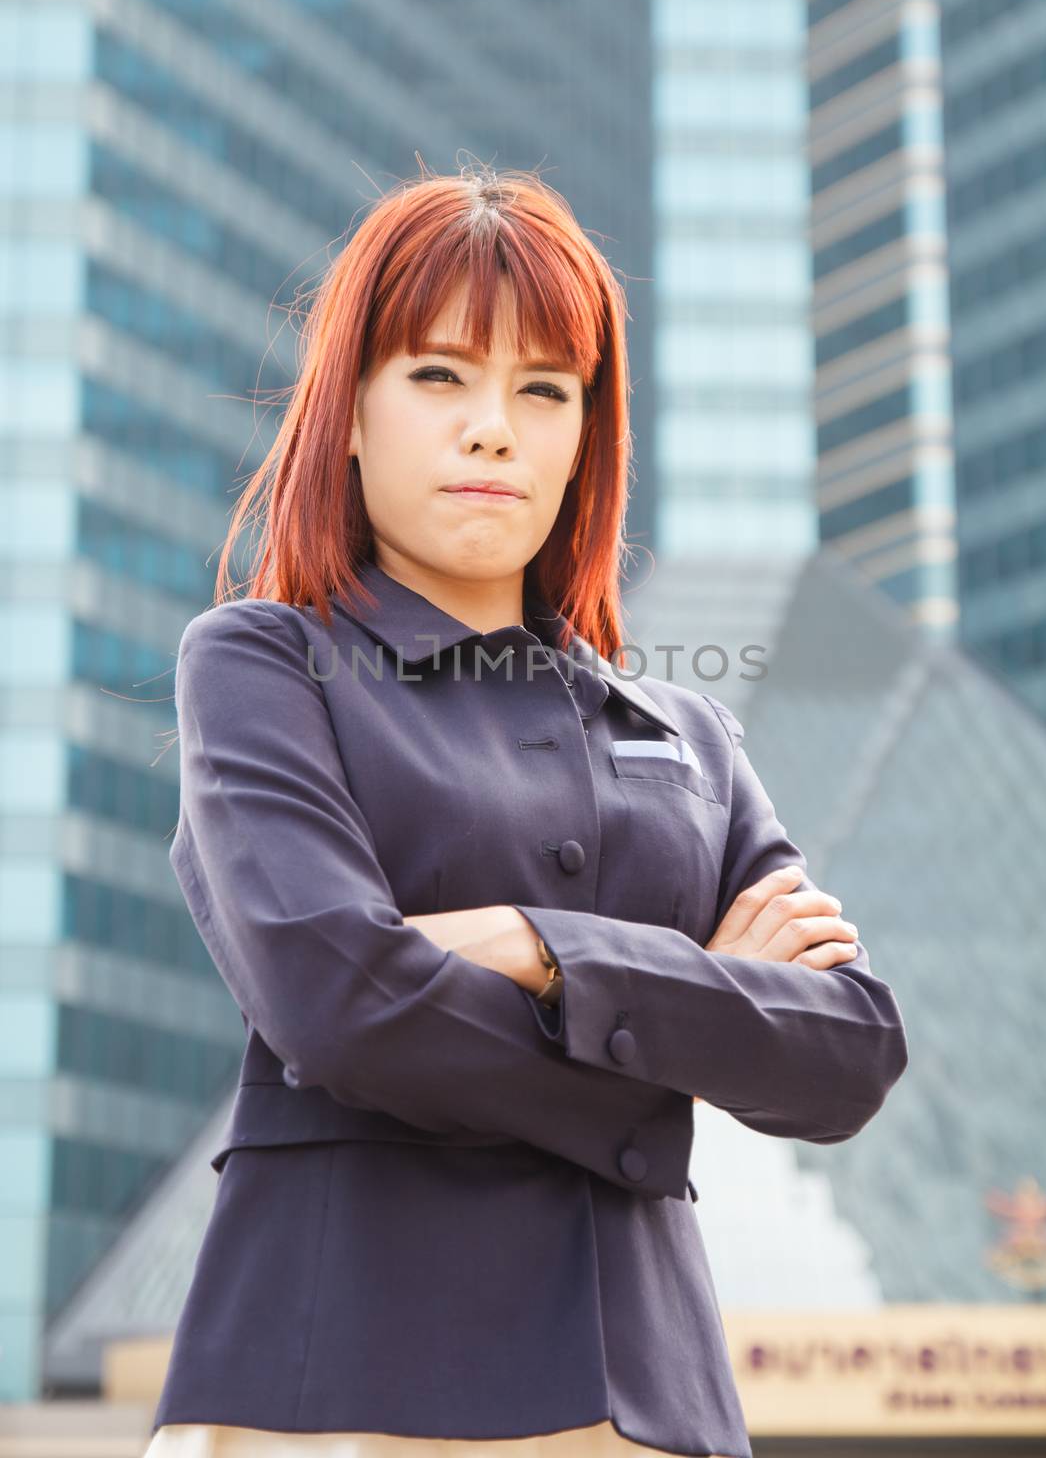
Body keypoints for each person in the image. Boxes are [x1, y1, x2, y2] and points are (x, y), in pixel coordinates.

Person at [144, 166, 908, 1458]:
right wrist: (679, 1027)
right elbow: (333, 999)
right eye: (439, 377)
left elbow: (845, 1054)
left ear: (582, 437)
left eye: (543, 391)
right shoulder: (263, 663)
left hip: (647, 1404)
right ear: (349, 415)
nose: (493, 428)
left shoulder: (690, 732)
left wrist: (524, 941)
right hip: (330, 1395)